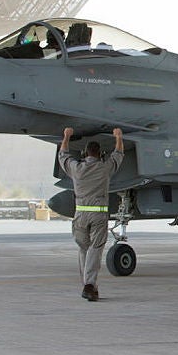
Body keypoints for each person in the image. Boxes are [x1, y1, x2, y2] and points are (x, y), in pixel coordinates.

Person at [58, 127, 124, 301]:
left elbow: (63, 155)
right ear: (100, 154)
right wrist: (118, 137)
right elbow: (118, 155)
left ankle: (89, 286)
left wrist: (66, 136)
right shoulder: (104, 168)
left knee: (83, 249)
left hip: (80, 215)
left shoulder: (76, 168)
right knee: (95, 249)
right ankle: (89, 285)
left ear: (84, 153)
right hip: (98, 217)